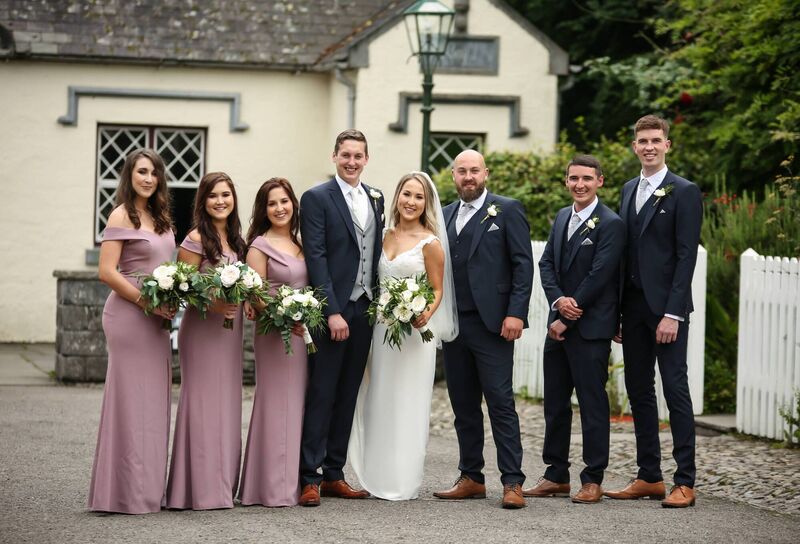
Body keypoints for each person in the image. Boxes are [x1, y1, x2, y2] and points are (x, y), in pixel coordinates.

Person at [604, 114, 702, 508]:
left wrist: (673, 313)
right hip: (632, 308)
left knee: (675, 389)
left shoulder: (684, 190)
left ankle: (685, 481)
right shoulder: (629, 189)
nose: (648, 146)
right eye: (642, 140)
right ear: (634, 146)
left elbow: (685, 256)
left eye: (655, 140)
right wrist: (617, 315)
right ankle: (649, 476)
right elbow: (621, 254)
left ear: (667, 145)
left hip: (666, 312)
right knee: (639, 390)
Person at [348, 171, 458, 500]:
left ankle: (403, 480)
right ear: (397, 197)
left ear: (426, 203)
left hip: (413, 335)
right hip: (382, 329)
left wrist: (424, 311)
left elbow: (438, 290)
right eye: (406, 194)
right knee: (379, 398)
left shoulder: (431, 243)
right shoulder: (384, 235)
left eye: (418, 197)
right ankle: (376, 475)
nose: (411, 202)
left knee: (408, 401)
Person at [434, 149, 534, 509]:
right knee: (462, 404)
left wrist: (516, 313)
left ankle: (512, 481)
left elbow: (523, 264)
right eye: (462, 171)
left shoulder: (507, 209)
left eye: (474, 170)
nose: (468, 177)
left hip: (493, 325)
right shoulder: (443, 215)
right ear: (453, 175)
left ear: (485, 173)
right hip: (455, 325)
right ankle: (472, 476)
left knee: (501, 403)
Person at [524, 155, 625, 504]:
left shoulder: (610, 223)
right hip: (559, 324)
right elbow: (546, 262)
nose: (579, 184)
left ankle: (593, 478)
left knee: (592, 403)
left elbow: (601, 274)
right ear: (566, 181)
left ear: (600, 181)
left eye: (586, 178)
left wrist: (568, 314)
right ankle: (556, 474)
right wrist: (558, 301)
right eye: (573, 178)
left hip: (590, 329)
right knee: (554, 402)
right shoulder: (563, 216)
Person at [298, 129, 385, 506]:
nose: (352, 162)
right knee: (322, 392)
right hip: (332, 310)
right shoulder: (316, 198)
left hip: (365, 309)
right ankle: (309, 476)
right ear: (335, 156)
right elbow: (316, 257)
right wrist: (331, 311)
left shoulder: (376, 198)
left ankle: (335, 472)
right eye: (345, 155)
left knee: (348, 392)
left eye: (358, 156)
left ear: (366, 159)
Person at [88, 148, 176, 514]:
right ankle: (120, 493)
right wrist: (147, 302)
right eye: (141, 171)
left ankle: (147, 491)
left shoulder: (163, 217)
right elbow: (107, 272)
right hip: (128, 316)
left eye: (154, 172)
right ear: (129, 175)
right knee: (128, 402)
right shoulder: (121, 213)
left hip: (157, 320)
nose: (148, 178)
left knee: (153, 402)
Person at [166, 172, 246, 510]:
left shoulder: (237, 240)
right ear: (203, 201)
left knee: (226, 404)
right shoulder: (195, 238)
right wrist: (214, 303)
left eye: (226, 195)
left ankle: (221, 484)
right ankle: (195, 488)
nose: (220, 201)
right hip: (202, 330)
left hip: (230, 331)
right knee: (201, 405)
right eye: (213, 196)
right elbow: (183, 288)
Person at [239, 178, 308, 507]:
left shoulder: (300, 241)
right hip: (274, 333)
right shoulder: (259, 246)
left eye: (284, 201)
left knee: (295, 404)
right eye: (272, 203)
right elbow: (255, 293)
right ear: (264, 210)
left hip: (300, 334)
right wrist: (286, 315)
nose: (280, 208)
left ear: (293, 203)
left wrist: (303, 313)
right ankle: (269, 487)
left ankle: (286, 482)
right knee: (275, 402)